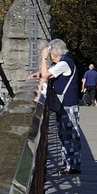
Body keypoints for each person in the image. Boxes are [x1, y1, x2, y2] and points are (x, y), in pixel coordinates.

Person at [32, 39, 84, 174]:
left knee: (71, 134)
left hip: (68, 104)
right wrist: (38, 74)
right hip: (64, 104)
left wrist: (43, 58)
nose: (48, 55)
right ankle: (68, 164)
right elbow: (47, 74)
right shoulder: (62, 63)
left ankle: (73, 166)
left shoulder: (65, 63)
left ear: (54, 52)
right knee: (64, 134)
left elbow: (46, 74)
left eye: (49, 52)